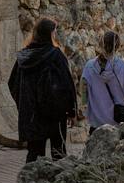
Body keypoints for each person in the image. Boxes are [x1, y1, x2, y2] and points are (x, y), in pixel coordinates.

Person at [7, 18, 77, 161]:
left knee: (34, 154)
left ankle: (30, 182)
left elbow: (12, 83)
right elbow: (67, 84)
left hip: (32, 114)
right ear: (50, 34)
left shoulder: (24, 57)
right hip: (55, 114)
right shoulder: (56, 55)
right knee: (59, 153)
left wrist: (24, 104)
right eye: (54, 32)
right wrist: (71, 111)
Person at [81, 30, 124, 128]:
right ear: (117, 46)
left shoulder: (89, 66)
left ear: (101, 45)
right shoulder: (121, 66)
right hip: (116, 120)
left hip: (96, 121)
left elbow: (84, 92)